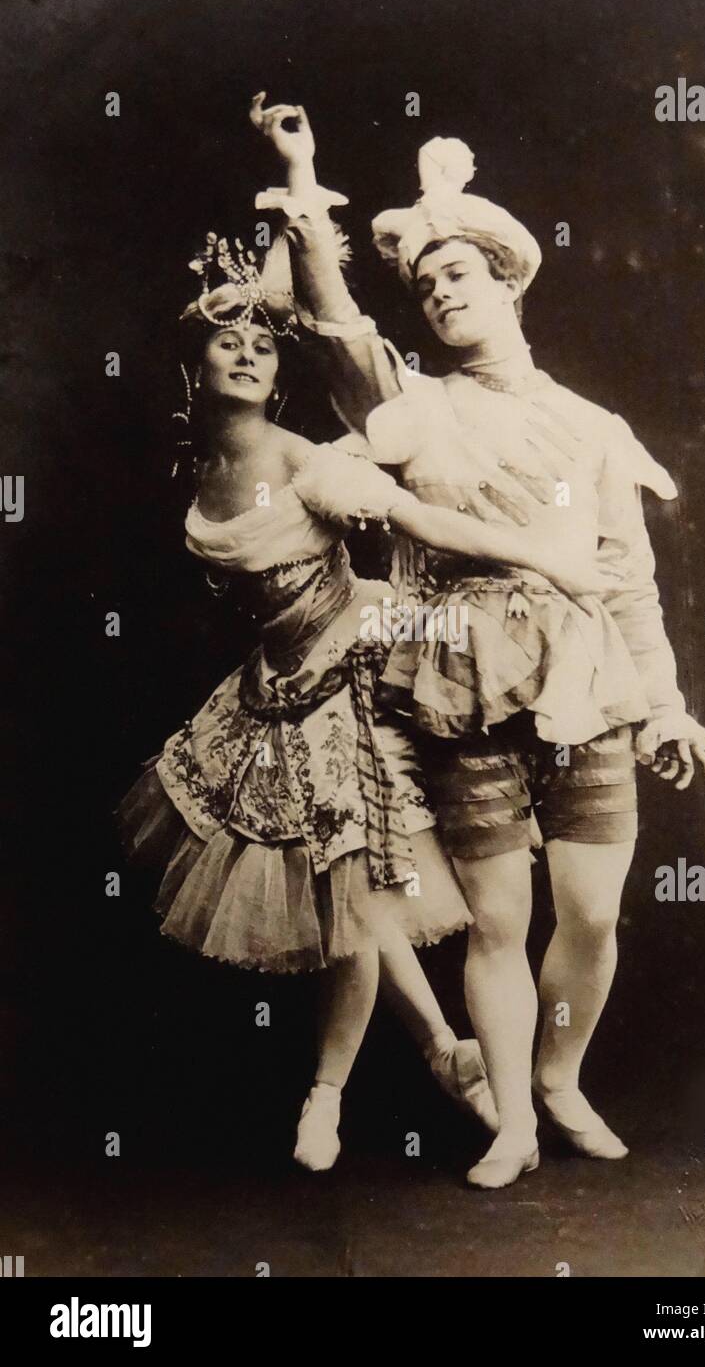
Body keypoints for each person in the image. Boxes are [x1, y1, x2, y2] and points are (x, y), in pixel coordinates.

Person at [249, 97, 705, 1188]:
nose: (441, 292)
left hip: (586, 679)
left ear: (508, 282)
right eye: (425, 283)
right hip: (458, 680)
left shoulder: (595, 429)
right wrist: (305, 182)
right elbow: (337, 335)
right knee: (497, 918)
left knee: (592, 910)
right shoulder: (416, 409)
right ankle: (511, 1120)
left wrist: (667, 699)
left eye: (459, 273)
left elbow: (629, 581)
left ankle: (558, 1077)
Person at [116, 223, 603, 1175]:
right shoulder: (204, 465)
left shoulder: (306, 459)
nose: (252, 355)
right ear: (193, 365)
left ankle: (337, 1091)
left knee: (358, 891)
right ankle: (434, 1054)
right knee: (348, 901)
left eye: (265, 345)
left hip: (366, 664)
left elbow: (418, 517)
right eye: (230, 343)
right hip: (274, 690)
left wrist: (548, 557)